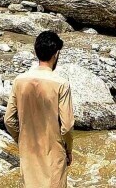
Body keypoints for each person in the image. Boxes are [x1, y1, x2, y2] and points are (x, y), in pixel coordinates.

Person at [4, 30, 75, 188]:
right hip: (53, 150)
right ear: (56, 54)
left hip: (28, 150)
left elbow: (8, 119)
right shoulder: (61, 84)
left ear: (37, 52)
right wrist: (68, 149)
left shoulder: (19, 80)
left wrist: (21, 139)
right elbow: (67, 126)